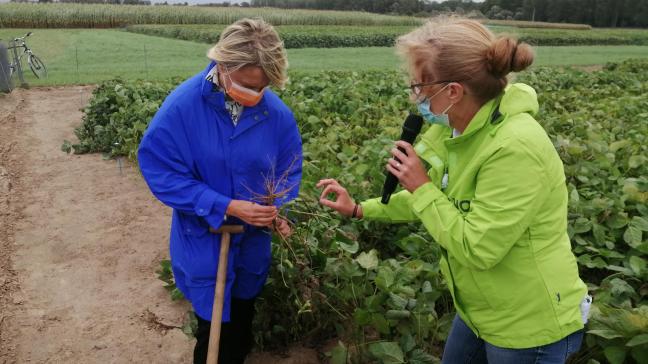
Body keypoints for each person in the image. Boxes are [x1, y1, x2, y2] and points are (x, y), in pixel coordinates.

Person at [317, 18, 589, 364]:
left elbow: (479, 248)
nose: (416, 97)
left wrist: (422, 186)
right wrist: (359, 208)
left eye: (419, 86)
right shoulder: (460, 130)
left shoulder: (516, 147)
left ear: (453, 91)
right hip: (480, 309)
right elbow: (441, 200)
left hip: (527, 324)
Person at [137, 18, 302, 364]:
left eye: (262, 87)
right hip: (204, 238)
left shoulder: (277, 116)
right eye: (245, 85)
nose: (253, 95)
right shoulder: (182, 107)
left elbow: (288, 171)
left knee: (241, 320)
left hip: (252, 242)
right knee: (211, 328)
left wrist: (276, 212)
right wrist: (224, 205)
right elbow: (161, 170)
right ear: (223, 66)